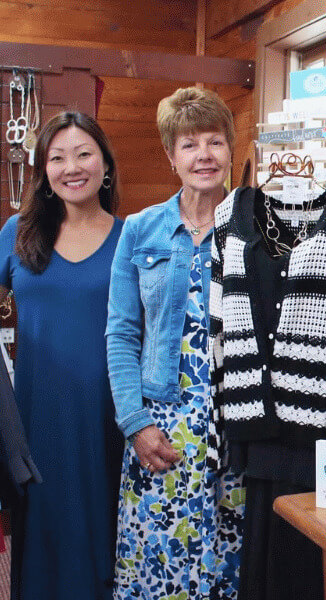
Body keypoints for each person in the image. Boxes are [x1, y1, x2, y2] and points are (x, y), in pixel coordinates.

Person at [0, 111, 124, 599]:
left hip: (108, 412)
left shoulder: (130, 237)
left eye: (83, 154)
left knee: (102, 526)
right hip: (36, 412)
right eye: (57, 158)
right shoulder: (19, 231)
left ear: (105, 166)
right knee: (43, 529)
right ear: (43, 170)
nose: (71, 167)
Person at [106, 86, 245, 599]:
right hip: (162, 425)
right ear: (171, 156)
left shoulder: (256, 229)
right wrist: (134, 423)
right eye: (189, 144)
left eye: (215, 141)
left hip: (239, 421)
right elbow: (121, 333)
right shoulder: (142, 230)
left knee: (231, 560)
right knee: (159, 562)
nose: (204, 155)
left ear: (231, 149)